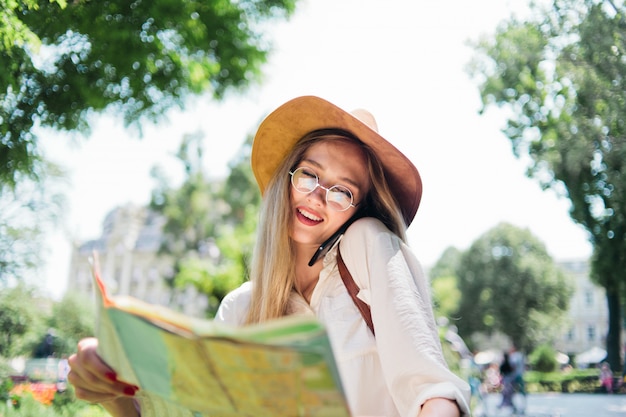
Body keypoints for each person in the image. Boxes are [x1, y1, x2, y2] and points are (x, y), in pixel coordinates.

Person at [68, 96, 471, 416]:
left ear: (359, 209)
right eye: (310, 174)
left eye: (343, 191)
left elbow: (435, 393)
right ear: (287, 177)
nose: (318, 196)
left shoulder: (368, 242)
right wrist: (113, 396)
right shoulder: (240, 308)